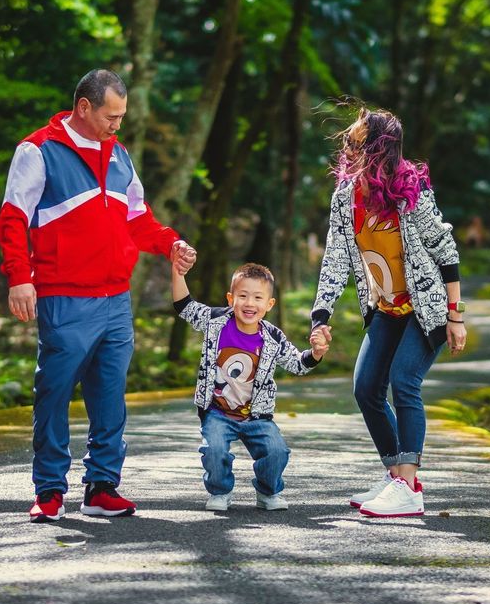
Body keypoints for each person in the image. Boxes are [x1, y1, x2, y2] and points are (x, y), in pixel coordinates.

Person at [0, 68, 196, 522]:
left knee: (110, 396)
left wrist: (170, 243)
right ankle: (49, 491)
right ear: (83, 107)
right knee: (55, 392)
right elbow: (11, 219)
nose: (117, 125)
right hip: (64, 296)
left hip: (116, 299)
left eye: (122, 116)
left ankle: (102, 487)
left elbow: (138, 220)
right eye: (111, 115)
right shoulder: (39, 150)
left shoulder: (120, 155)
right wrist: (18, 276)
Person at [310, 106, 466, 518]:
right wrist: (320, 316)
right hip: (385, 308)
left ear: (378, 148)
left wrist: (456, 315)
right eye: (347, 140)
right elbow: (335, 258)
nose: (347, 146)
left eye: (356, 140)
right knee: (365, 388)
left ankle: (409, 487)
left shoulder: (410, 192)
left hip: (425, 308)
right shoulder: (345, 198)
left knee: (403, 380)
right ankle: (396, 474)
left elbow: (445, 250)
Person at [172, 260, 330, 511]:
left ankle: (268, 491)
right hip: (217, 413)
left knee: (277, 451)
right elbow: (185, 306)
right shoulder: (216, 322)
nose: (249, 303)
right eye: (243, 296)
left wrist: (316, 352)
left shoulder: (273, 337)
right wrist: (178, 273)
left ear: (269, 305)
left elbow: (298, 364)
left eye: (258, 298)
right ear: (230, 298)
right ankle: (220, 491)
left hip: (256, 417)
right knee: (214, 450)